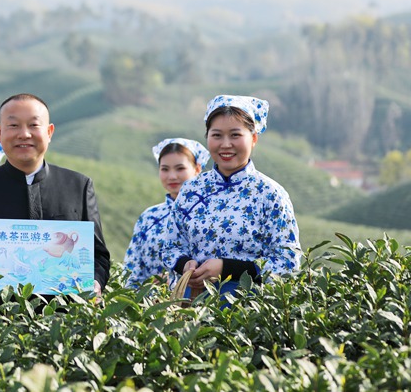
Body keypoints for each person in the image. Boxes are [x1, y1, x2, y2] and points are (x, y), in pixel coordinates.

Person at [0, 94, 111, 294]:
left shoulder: (78, 186)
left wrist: (95, 283)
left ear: (49, 132)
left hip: (65, 312)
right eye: (13, 126)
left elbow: (98, 256)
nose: (24, 134)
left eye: (33, 125)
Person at [166, 94, 302, 297]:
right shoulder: (191, 190)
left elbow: (288, 261)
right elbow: (171, 246)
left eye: (235, 135)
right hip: (191, 305)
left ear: (253, 138)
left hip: (249, 308)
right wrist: (185, 264)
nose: (225, 144)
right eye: (217, 135)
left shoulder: (270, 195)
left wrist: (227, 268)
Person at [123, 138, 209, 288]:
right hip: (150, 301)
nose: (172, 176)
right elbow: (132, 269)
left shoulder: (210, 213)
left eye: (180, 168)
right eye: (165, 169)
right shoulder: (149, 217)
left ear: (197, 169)